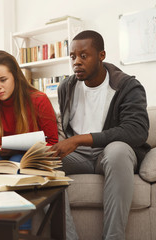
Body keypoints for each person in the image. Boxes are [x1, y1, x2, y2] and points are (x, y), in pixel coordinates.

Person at [49, 30, 150, 240]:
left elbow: (136, 131)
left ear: (101, 55)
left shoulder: (127, 86)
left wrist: (78, 139)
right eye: (72, 57)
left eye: (83, 56)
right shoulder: (66, 87)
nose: (76, 62)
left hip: (109, 154)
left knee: (118, 150)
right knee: (42, 161)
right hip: (79, 157)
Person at [0, 50, 58, 177]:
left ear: (15, 77)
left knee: (17, 160)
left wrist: (16, 149)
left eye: (3, 80)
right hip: (1, 157)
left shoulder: (39, 99)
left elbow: (53, 142)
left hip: (32, 157)